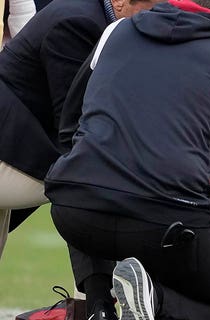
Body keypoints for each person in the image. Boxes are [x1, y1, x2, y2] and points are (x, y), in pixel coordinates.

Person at [44, 0, 210, 318]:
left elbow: (70, 126)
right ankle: (154, 301)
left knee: (86, 177)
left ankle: (99, 307)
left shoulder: (115, 31)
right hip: (167, 221)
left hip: (75, 213)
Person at [0, 0, 161, 316]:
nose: (156, 16)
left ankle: (98, 302)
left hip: (18, 146)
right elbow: (75, 131)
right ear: (120, 1)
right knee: (87, 181)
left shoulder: (98, 19)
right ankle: (98, 303)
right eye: (152, 6)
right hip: (9, 147)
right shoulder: (77, 24)